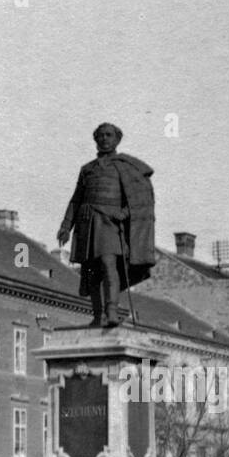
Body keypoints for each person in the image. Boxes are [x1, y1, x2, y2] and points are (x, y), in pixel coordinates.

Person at [57, 123, 157, 328]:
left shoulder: (126, 167)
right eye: (100, 135)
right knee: (91, 271)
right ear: (95, 139)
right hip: (87, 224)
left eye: (108, 135)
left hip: (110, 225)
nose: (104, 139)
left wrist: (124, 213)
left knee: (108, 265)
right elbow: (76, 200)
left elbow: (142, 201)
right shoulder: (87, 170)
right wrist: (66, 226)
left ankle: (111, 312)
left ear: (117, 139)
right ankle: (97, 315)